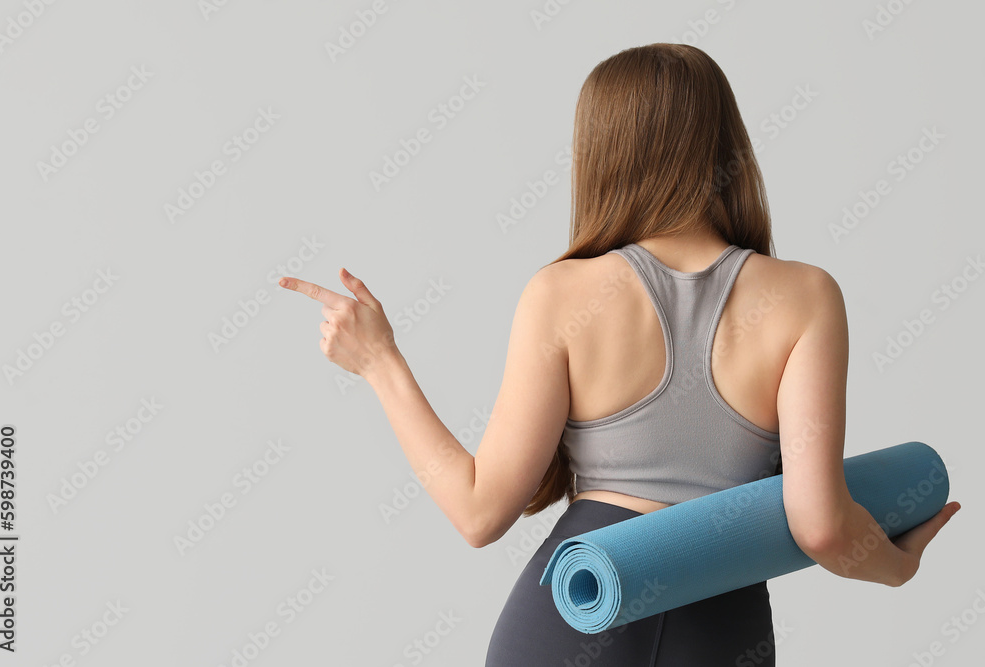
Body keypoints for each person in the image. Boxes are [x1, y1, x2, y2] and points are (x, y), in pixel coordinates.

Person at [278, 43, 961, 666]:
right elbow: (819, 522)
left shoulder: (562, 292)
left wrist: (380, 364)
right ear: (727, 143)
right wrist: (897, 566)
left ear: (601, 150)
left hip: (567, 619)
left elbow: (480, 511)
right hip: (724, 632)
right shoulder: (806, 296)